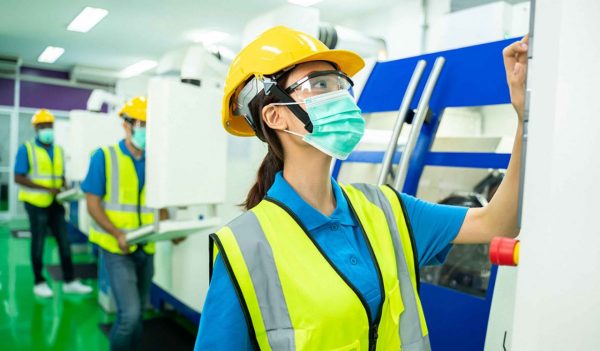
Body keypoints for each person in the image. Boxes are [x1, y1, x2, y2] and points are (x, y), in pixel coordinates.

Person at [195, 26, 528, 350]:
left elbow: (497, 222)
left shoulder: (386, 208)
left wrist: (523, 118)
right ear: (276, 116)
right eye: (320, 84)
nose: (341, 97)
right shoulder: (244, 247)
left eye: (340, 83)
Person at [82, 96, 163, 351]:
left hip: (146, 246)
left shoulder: (156, 161)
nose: (145, 130)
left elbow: (160, 201)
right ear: (126, 125)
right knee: (128, 316)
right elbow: (93, 204)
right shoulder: (104, 157)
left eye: (150, 124)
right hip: (118, 248)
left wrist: (170, 229)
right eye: (141, 123)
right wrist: (117, 233)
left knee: (139, 315)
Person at [14, 109, 92, 298]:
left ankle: (69, 281)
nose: (47, 129)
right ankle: (39, 282)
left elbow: (60, 176)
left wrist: (66, 189)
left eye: (49, 126)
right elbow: (19, 177)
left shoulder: (59, 150)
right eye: (43, 126)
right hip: (36, 204)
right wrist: (47, 189)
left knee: (64, 243)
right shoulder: (27, 149)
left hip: (56, 203)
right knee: (38, 243)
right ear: (36, 128)